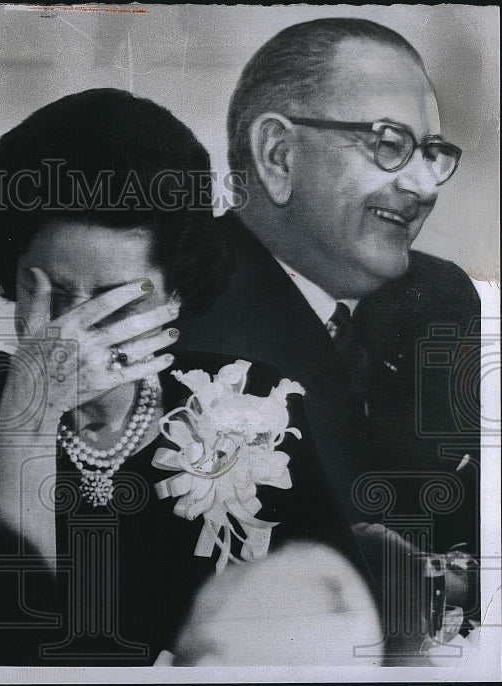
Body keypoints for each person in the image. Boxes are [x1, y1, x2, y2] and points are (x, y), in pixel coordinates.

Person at [0, 88, 365, 666]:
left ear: (175, 294)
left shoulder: (249, 408)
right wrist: (27, 419)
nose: (80, 333)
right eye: (55, 294)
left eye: (117, 302)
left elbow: (335, 637)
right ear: (14, 279)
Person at [176, 18, 481, 653]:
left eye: (432, 152)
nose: (424, 187)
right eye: (389, 144)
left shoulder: (444, 302)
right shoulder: (180, 307)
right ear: (278, 155)